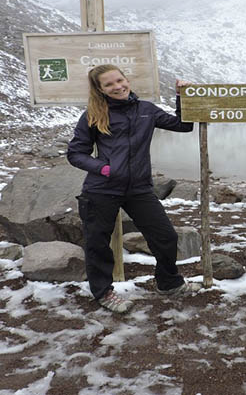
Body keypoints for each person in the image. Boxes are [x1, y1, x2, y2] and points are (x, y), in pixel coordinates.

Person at [67, 64, 197, 314]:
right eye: (109, 84)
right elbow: (75, 153)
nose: (117, 87)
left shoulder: (146, 110)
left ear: (127, 80)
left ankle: (168, 283)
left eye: (120, 80)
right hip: (101, 189)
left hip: (138, 188)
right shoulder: (94, 113)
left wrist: (182, 97)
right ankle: (104, 292)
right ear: (100, 89)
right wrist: (104, 169)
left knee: (166, 237)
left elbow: (184, 125)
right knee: (98, 243)